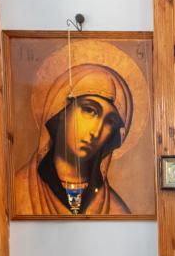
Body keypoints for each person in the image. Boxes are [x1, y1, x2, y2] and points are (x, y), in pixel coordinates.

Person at [13, 63, 132, 216]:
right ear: (61, 111)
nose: (96, 132)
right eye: (89, 110)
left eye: (109, 122)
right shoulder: (17, 192)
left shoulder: (117, 210)